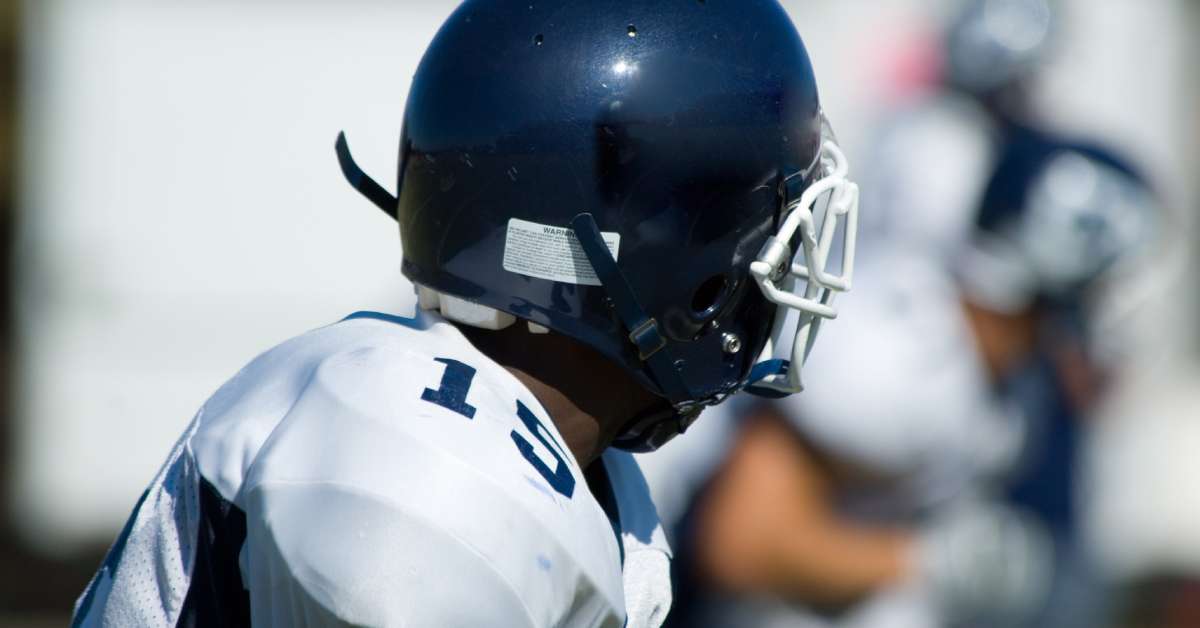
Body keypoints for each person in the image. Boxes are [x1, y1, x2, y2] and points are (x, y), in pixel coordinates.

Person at [70, 1, 860, 626]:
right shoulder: (419, 476)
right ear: (658, 251)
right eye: (766, 225)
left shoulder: (579, 469)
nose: (781, 267)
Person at [651, 0, 1160, 626]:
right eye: (1104, 282)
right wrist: (923, 562)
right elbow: (742, 540)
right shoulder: (891, 362)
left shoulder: (1006, 377)